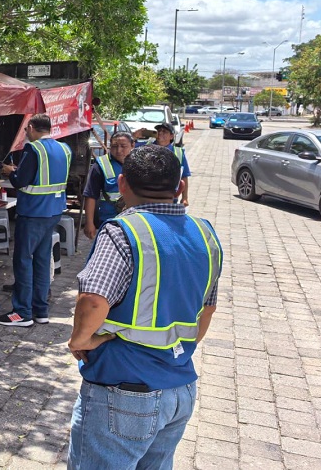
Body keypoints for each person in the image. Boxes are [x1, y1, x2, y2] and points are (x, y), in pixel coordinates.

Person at [67, 145, 222, 470]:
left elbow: (94, 300)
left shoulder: (122, 232)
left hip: (123, 392)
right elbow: (207, 311)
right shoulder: (206, 234)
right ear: (179, 187)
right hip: (179, 390)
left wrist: (80, 340)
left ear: (122, 184)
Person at [0, 113, 71, 327]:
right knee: (42, 260)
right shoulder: (65, 149)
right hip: (53, 211)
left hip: (33, 212)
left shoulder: (33, 148)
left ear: (32, 128)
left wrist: (10, 172)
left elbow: (20, 181)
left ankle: (22, 313)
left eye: (28, 130)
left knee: (23, 261)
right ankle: (41, 311)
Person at [82, 131, 135, 240]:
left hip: (135, 220)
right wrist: (89, 223)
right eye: (114, 146)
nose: (119, 150)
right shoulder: (101, 165)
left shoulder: (140, 162)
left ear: (132, 145)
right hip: (109, 220)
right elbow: (91, 195)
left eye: (123, 146)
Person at [134, 122, 191, 206]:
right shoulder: (145, 147)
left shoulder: (178, 153)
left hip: (170, 196)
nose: (160, 133)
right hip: (147, 195)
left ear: (171, 136)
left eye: (164, 131)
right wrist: (134, 136)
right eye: (159, 131)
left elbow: (184, 176)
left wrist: (185, 198)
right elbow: (128, 146)